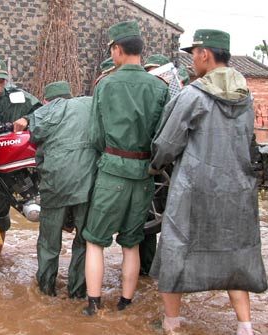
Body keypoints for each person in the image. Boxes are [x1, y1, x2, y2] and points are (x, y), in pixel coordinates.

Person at [149, 29, 267, 335]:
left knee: (175, 251)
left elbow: (167, 143)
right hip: (237, 191)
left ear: (205, 54)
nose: (193, 60)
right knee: (236, 254)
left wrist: (155, 166)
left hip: (194, 189)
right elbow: (249, 142)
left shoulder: (193, 95)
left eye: (195, 53)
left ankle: (171, 323)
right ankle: (245, 327)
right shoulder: (246, 95)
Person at [82, 21, 169, 315]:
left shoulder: (106, 84)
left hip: (112, 170)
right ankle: (125, 302)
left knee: (95, 240)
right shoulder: (160, 87)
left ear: (117, 50)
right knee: (132, 242)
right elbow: (163, 137)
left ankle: (93, 305)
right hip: (144, 174)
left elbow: (95, 135)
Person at [29, 81, 97, 298]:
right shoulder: (89, 104)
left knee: (49, 242)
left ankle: (46, 290)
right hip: (88, 183)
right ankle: (77, 292)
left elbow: (35, 135)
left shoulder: (43, 112)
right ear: (70, 95)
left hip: (55, 182)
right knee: (84, 241)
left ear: (47, 99)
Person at [0, 59, 42, 255]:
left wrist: (27, 119)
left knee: (0, 206)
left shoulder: (18, 96)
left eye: (1, 81)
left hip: (6, 163)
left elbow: (42, 112)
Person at [139, 53, 171, 277]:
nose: (154, 75)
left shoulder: (178, 96)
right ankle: (147, 272)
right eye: (149, 71)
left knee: (172, 222)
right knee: (148, 222)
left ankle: (170, 271)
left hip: (169, 169)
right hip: (149, 166)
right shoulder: (144, 97)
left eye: (157, 71)